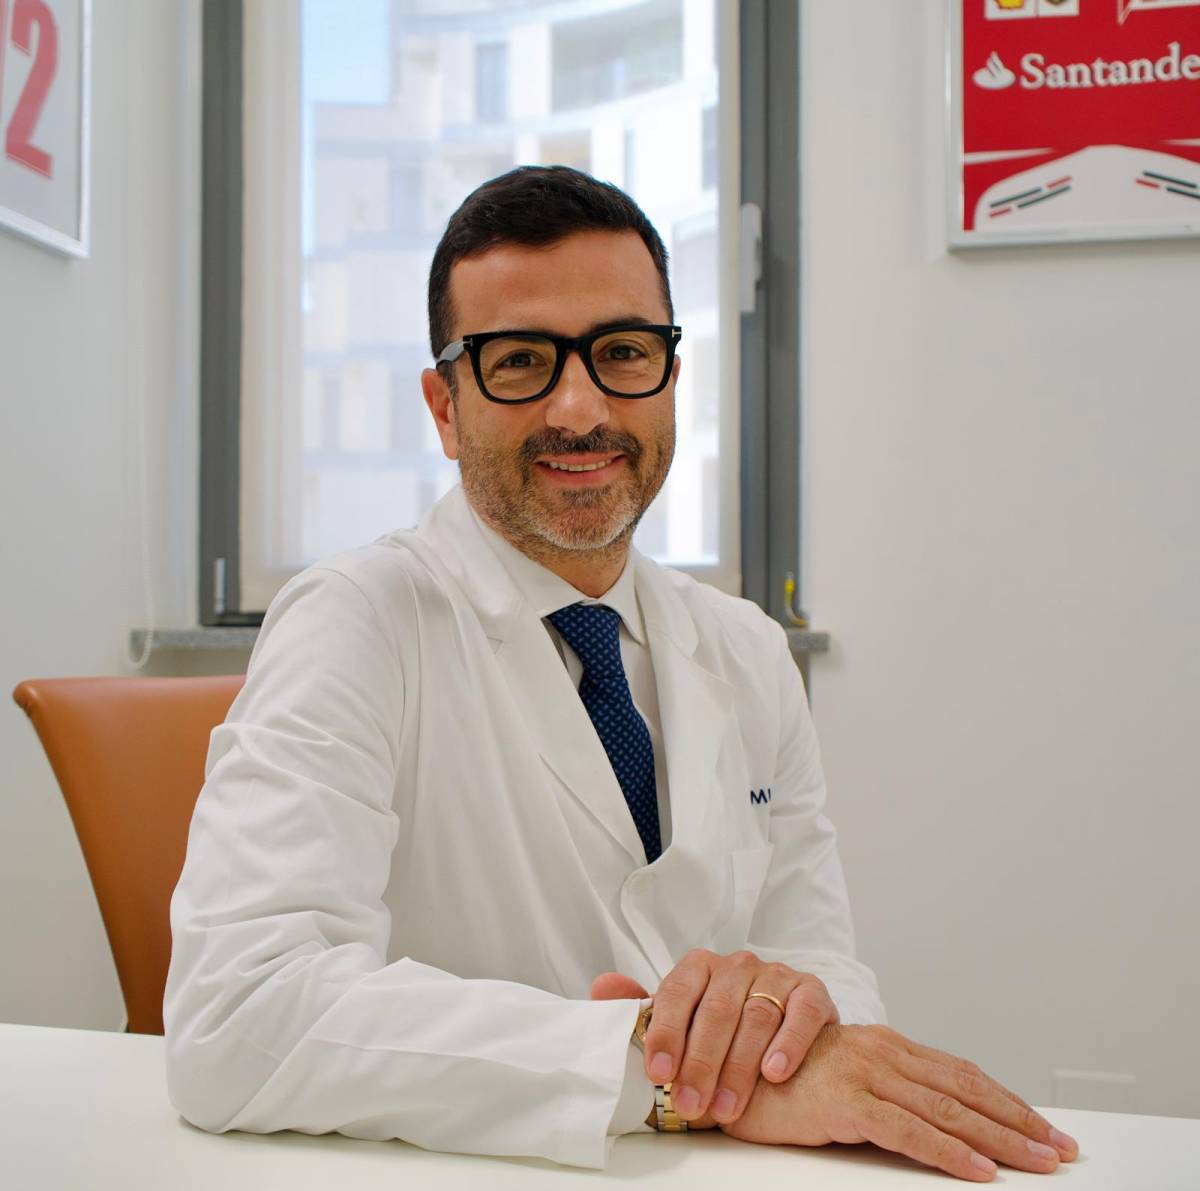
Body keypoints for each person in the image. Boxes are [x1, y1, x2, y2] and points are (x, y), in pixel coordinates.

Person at [164, 166, 1078, 1182]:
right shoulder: (357, 619)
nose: (579, 407)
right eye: (520, 361)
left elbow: (820, 971)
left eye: (623, 352)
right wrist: (650, 1065)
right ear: (444, 405)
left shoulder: (745, 650)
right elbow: (236, 1016)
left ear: (671, 376)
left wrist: (785, 1035)